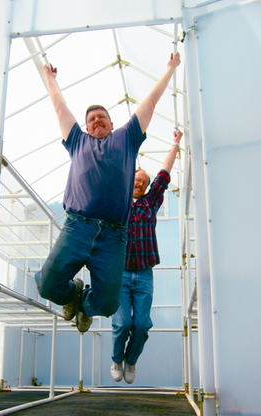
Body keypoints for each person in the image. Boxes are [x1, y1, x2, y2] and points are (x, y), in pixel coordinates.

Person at [35, 53, 181, 333]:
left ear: (112, 124)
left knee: (108, 304)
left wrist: (170, 68)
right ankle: (73, 292)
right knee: (46, 284)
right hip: (77, 227)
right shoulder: (77, 140)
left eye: (102, 117)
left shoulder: (126, 138)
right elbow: (58, 106)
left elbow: (150, 101)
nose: (97, 120)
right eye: (91, 119)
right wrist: (49, 78)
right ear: (86, 126)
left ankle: (85, 306)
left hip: (114, 235)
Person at [110, 128, 183, 384]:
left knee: (141, 325)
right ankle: (117, 358)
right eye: (136, 179)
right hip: (119, 274)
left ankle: (131, 361)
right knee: (121, 323)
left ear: (147, 186)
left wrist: (175, 144)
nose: (139, 182)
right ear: (129, 180)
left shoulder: (151, 202)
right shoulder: (117, 202)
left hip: (143, 276)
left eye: (144, 181)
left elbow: (164, 173)